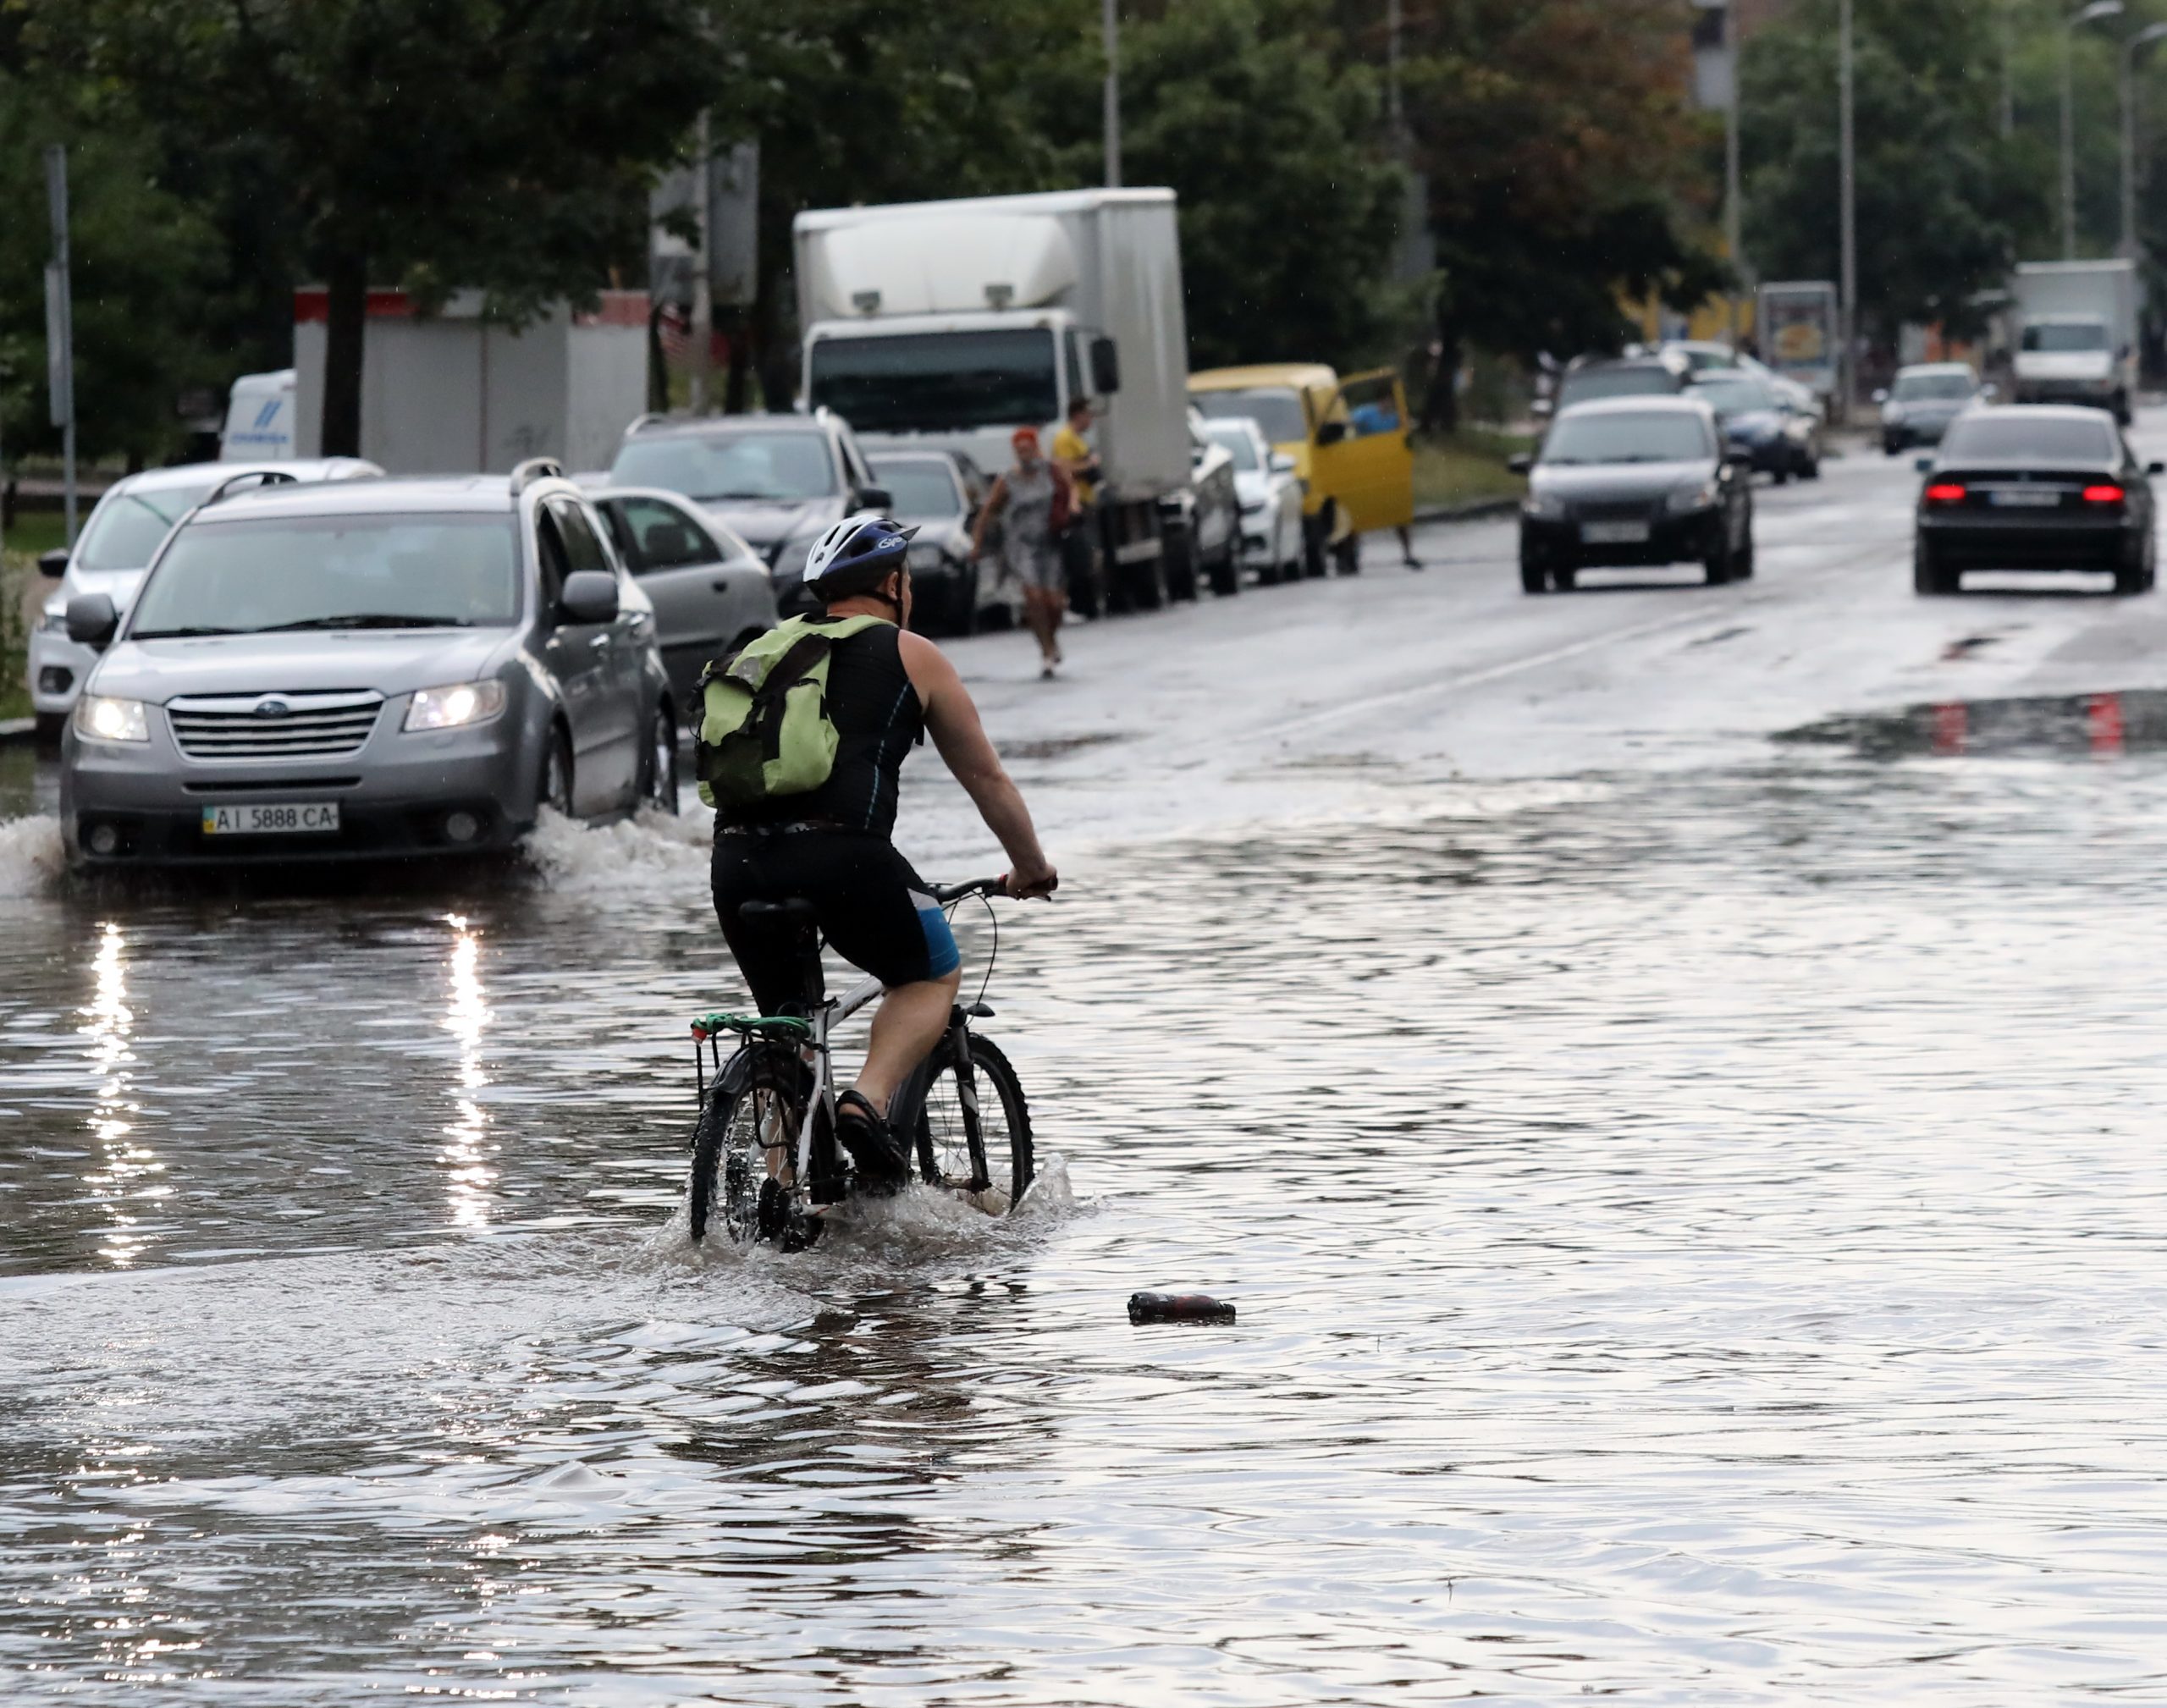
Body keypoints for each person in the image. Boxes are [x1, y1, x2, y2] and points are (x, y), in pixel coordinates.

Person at [711, 513, 1058, 1194]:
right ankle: (863, 1103)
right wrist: (1032, 866)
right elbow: (986, 778)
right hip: (844, 858)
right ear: (895, 584)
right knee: (929, 973)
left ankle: (785, 1197)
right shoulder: (911, 653)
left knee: (787, 1028)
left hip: (735, 862)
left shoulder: (767, 647)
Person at [973, 426, 1074, 679]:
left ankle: (1052, 636)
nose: (1024, 454)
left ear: (1036, 447)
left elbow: (1069, 489)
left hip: (1050, 542)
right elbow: (988, 512)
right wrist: (978, 543)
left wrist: (1073, 508)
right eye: (1020, 450)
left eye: (1028, 448)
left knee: (1055, 603)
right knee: (1034, 598)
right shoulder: (1007, 480)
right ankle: (1046, 650)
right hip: (1020, 545)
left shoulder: (1051, 471)